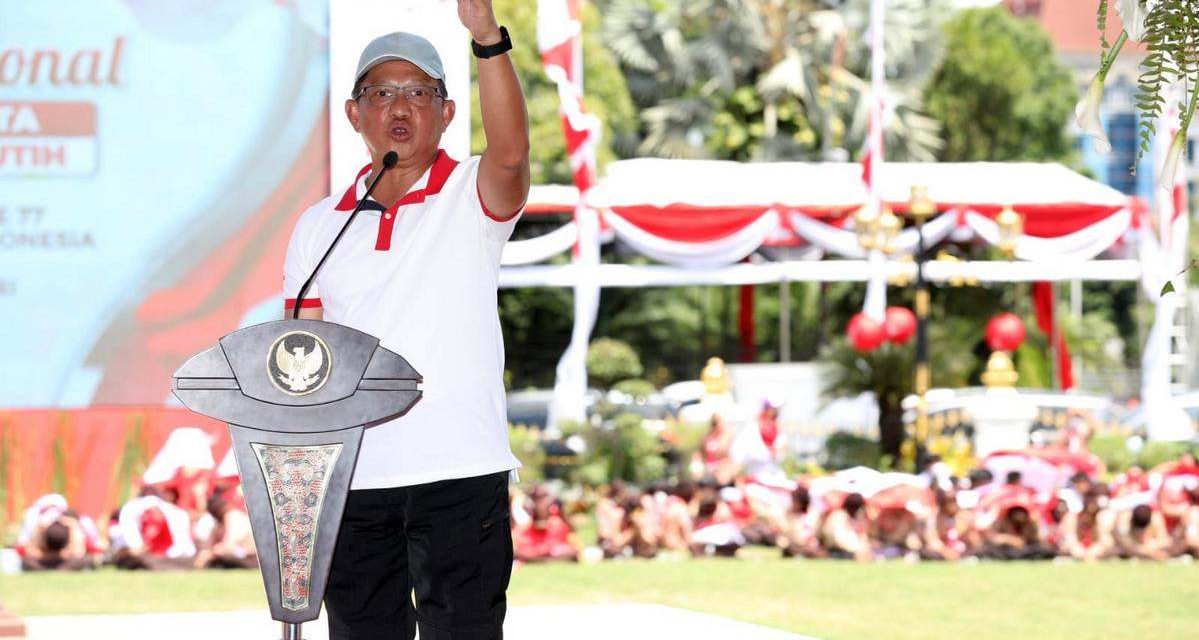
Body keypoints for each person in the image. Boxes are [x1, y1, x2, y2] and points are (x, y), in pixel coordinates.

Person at [281, 3, 529, 637]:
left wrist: (486, 39)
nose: (399, 107)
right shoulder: (318, 226)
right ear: (354, 114)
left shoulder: (473, 194)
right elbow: (304, 362)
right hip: (352, 479)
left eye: (419, 92)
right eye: (381, 92)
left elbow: (511, 152)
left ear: (447, 113)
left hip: (459, 471)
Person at [194, 495, 257, 569]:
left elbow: (229, 545)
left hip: (250, 556)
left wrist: (210, 554)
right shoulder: (220, 522)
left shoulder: (233, 516)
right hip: (240, 553)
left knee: (222, 554)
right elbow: (210, 543)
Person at [820, 493, 873, 562]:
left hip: (851, 550)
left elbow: (861, 537)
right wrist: (857, 551)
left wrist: (864, 549)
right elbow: (839, 539)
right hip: (836, 551)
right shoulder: (838, 516)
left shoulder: (855, 518)